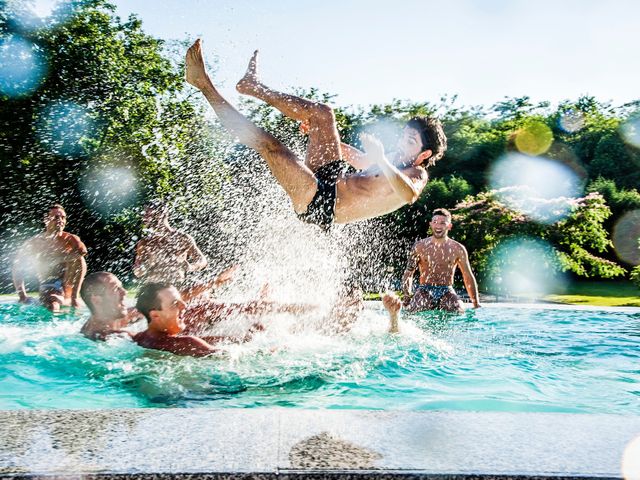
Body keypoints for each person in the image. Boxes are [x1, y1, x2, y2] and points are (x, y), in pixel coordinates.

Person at [185, 39, 447, 228]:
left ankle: (203, 84)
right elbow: (361, 161)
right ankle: (253, 87)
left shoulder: (416, 175)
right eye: (403, 134)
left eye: (410, 141)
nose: (402, 141)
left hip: (321, 204)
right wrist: (322, 134)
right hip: (332, 177)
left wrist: (382, 157)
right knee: (323, 114)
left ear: (424, 154)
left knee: (269, 146)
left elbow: (409, 195)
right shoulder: (390, 158)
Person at [401, 208, 481, 313]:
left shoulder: (457, 249)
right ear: (431, 224)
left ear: (449, 226)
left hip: (446, 289)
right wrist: (407, 297)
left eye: (443, 223)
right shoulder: (420, 246)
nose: (438, 226)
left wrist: (476, 303)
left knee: (458, 310)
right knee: (414, 308)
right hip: (424, 289)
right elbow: (408, 273)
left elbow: (467, 275)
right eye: (435, 222)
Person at [12, 204, 87, 311]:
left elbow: (82, 251)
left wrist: (58, 259)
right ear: (46, 220)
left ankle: (74, 298)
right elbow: (17, 266)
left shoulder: (70, 238)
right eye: (56, 217)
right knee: (53, 305)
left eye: (63, 217)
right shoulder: (35, 242)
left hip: (68, 283)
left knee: (79, 258)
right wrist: (22, 295)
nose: (61, 220)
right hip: (49, 282)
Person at [134, 202, 209, 285]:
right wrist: (147, 265)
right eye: (144, 215)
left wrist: (191, 267)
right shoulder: (145, 243)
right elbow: (137, 272)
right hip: (155, 290)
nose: (145, 218)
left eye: (148, 214)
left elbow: (202, 261)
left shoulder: (182, 238)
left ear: (162, 214)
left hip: (177, 286)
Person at [79, 272, 144, 340]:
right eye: (116, 288)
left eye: (121, 287)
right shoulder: (107, 336)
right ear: (96, 300)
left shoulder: (106, 320)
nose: (124, 292)